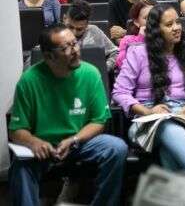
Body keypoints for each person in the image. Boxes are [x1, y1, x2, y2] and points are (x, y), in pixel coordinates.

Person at [9, 24, 128, 206]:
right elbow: (17, 130)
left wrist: (74, 140)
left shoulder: (90, 73)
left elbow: (99, 121)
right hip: (44, 146)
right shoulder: (29, 81)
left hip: (78, 142)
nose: (75, 50)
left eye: (75, 43)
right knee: (20, 167)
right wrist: (35, 142)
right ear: (49, 56)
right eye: (66, 48)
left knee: (116, 148)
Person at [112, 4, 185, 173]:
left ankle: (179, 196)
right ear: (156, 30)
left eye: (177, 22)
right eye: (169, 25)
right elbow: (120, 92)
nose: (176, 28)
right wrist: (148, 112)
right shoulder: (138, 53)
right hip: (145, 123)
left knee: (169, 145)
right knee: (165, 125)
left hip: (182, 116)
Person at [64, 0, 118, 72]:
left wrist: (104, 67)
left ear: (87, 25)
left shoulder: (94, 31)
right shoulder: (57, 35)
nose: (74, 32)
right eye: (70, 27)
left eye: (79, 29)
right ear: (64, 19)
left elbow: (115, 53)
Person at [115, 0, 155, 69]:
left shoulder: (167, 36)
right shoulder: (127, 40)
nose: (152, 21)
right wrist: (141, 40)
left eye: (154, 16)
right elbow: (121, 63)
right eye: (146, 18)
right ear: (136, 22)